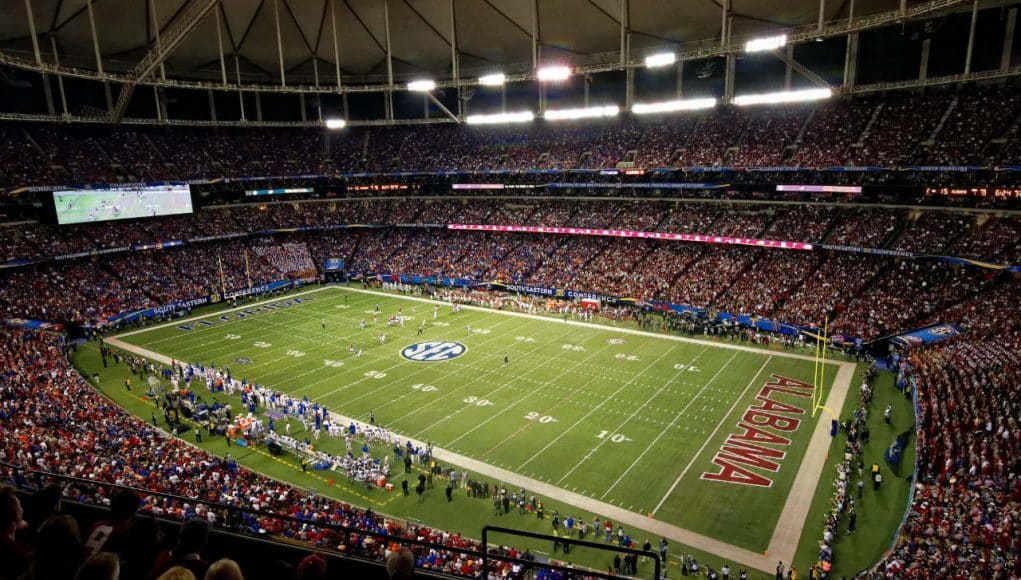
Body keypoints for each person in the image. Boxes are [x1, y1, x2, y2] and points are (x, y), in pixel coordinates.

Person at [0, 486, 31, 580]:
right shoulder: (20, 553)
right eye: (19, 506)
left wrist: (16, 525)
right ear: (16, 515)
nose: (21, 509)